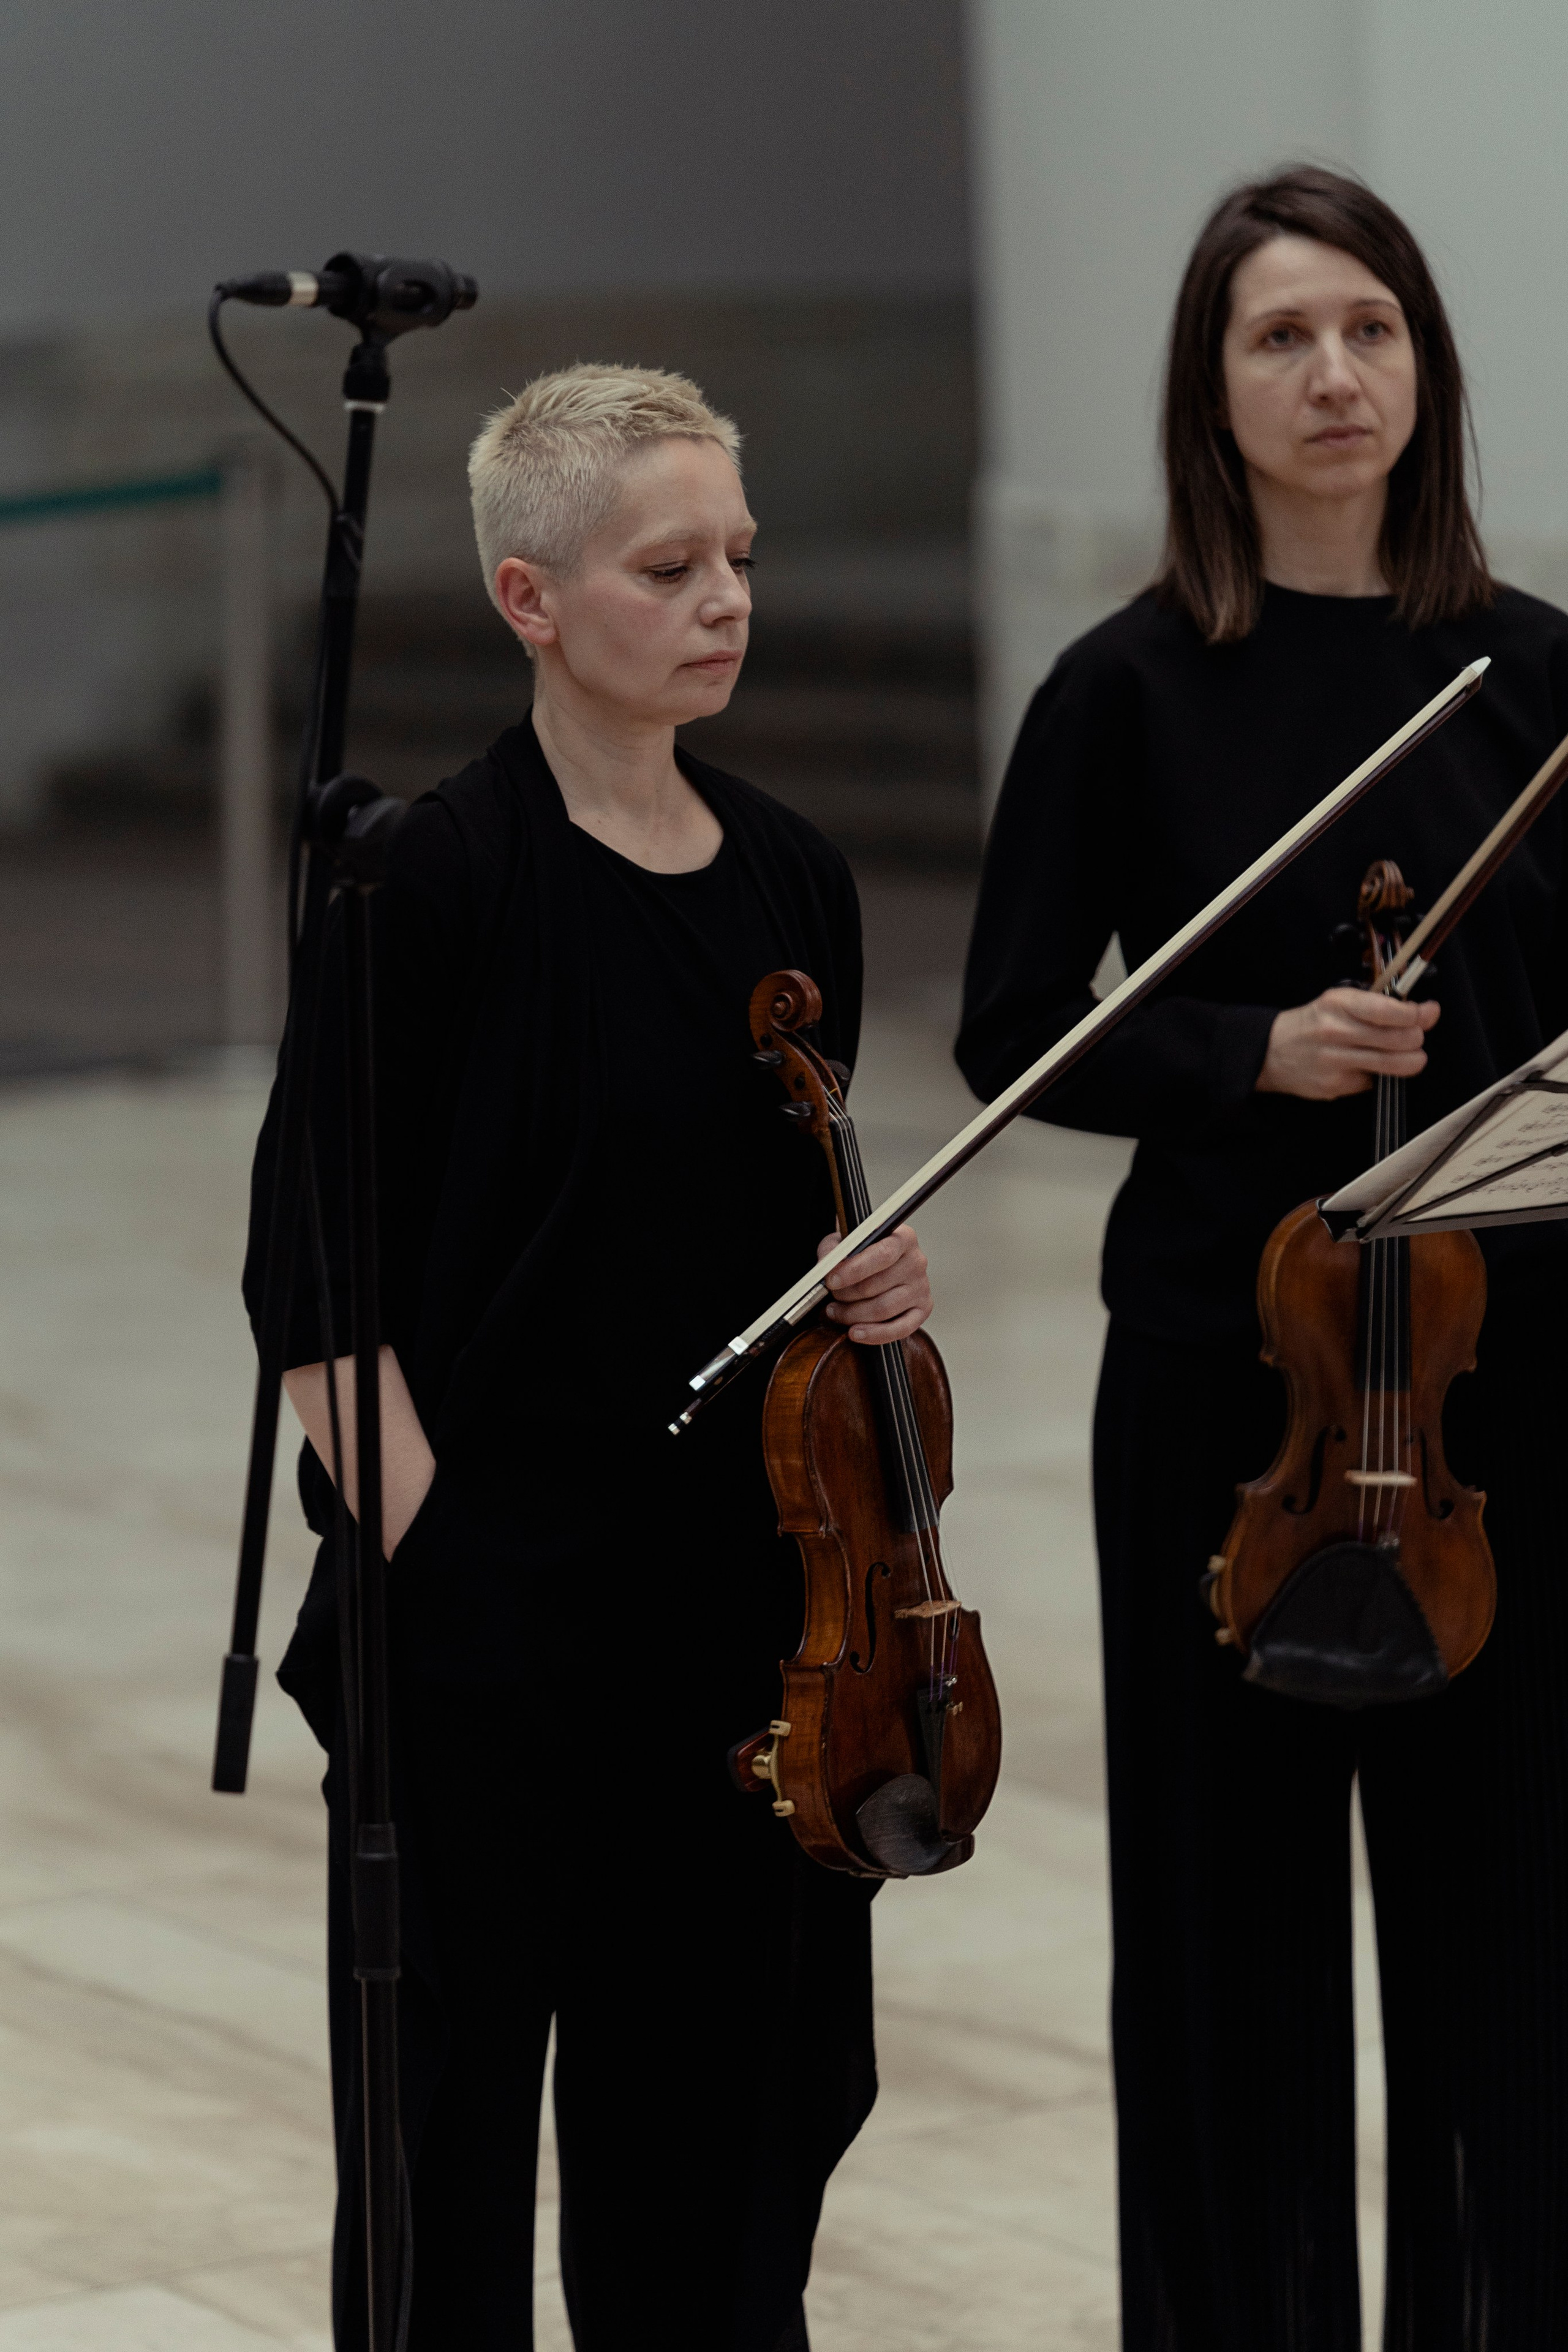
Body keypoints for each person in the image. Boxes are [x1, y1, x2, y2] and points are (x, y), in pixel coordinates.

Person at [246, 364, 935, 2351]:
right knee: (445, 2165)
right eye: (668, 565)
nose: (724, 598)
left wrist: (865, 1278)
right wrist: (445, 1581)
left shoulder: (795, 876)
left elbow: (791, 1224)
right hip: (483, 1629)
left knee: (725, 2159)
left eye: (739, 555)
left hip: (749, 1634)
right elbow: (318, 1291)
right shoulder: (428, 883)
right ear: (532, 601)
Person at [957, 167, 1568, 2350]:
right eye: (1280, 338)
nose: (1334, 376)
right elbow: (1015, 1031)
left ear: (1429, 368)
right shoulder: (1126, 692)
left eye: (1372, 330)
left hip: (1510, 1393)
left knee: (1519, 1941)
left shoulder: (1538, 681)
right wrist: (1254, 1049)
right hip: (1236, 1388)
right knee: (1229, 1947)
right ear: (1209, 396)